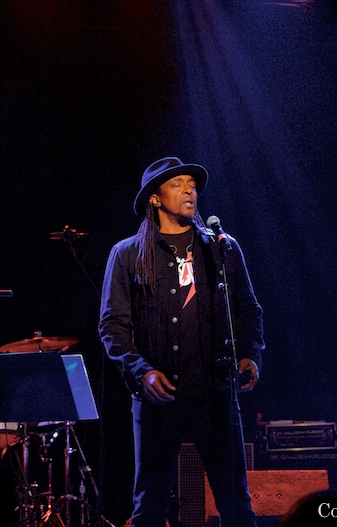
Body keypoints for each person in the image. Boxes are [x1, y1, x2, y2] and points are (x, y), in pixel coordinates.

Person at [99, 157, 265, 527]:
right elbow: (112, 325)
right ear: (155, 199)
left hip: (216, 392)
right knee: (150, 505)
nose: (189, 189)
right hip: (160, 396)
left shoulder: (222, 247)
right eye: (177, 184)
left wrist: (251, 354)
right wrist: (142, 372)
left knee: (236, 501)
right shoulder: (128, 254)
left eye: (191, 183)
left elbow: (248, 309)